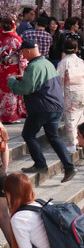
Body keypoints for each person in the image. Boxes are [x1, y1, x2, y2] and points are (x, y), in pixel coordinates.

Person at [8, 41, 76, 182]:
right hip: (56, 105)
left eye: (23, 52)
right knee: (53, 137)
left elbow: (25, 89)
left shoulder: (33, 66)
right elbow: (36, 82)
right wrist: (25, 79)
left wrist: (12, 81)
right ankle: (69, 167)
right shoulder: (47, 63)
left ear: (27, 51)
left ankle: (40, 164)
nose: (22, 55)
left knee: (28, 134)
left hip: (42, 107)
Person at [55, 38, 84, 148]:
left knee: (70, 118)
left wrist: (59, 94)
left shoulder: (64, 62)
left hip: (71, 92)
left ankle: (73, 144)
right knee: (80, 117)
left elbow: (60, 79)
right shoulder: (81, 62)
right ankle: (82, 141)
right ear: (76, 49)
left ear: (64, 49)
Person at [0, 16, 27, 123]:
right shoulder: (16, 39)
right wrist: (23, 71)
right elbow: (22, 57)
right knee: (11, 90)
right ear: (13, 25)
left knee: (2, 92)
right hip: (12, 68)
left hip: (1, 68)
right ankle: (10, 116)